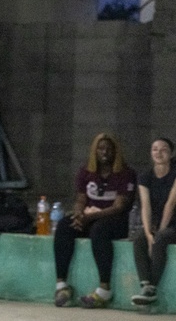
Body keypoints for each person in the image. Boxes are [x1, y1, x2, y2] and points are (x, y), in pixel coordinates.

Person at [53, 132, 136, 308]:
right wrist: (78, 214)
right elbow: (81, 199)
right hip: (89, 216)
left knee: (99, 230)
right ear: (94, 151)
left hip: (114, 221)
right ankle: (61, 286)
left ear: (115, 151)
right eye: (100, 148)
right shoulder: (86, 171)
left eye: (108, 148)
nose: (104, 152)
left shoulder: (126, 174)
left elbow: (119, 207)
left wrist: (89, 217)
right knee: (63, 226)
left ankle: (104, 289)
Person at [130, 137, 176, 305]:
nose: (159, 153)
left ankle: (153, 288)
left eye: (163, 149)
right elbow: (145, 206)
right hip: (156, 221)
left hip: (172, 222)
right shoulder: (145, 176)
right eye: (155, 149)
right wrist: (148, 232)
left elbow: (170, 205)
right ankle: (145, 284)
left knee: (161, 238)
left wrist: (157, 236)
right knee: (139, 238)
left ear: (171, 153)